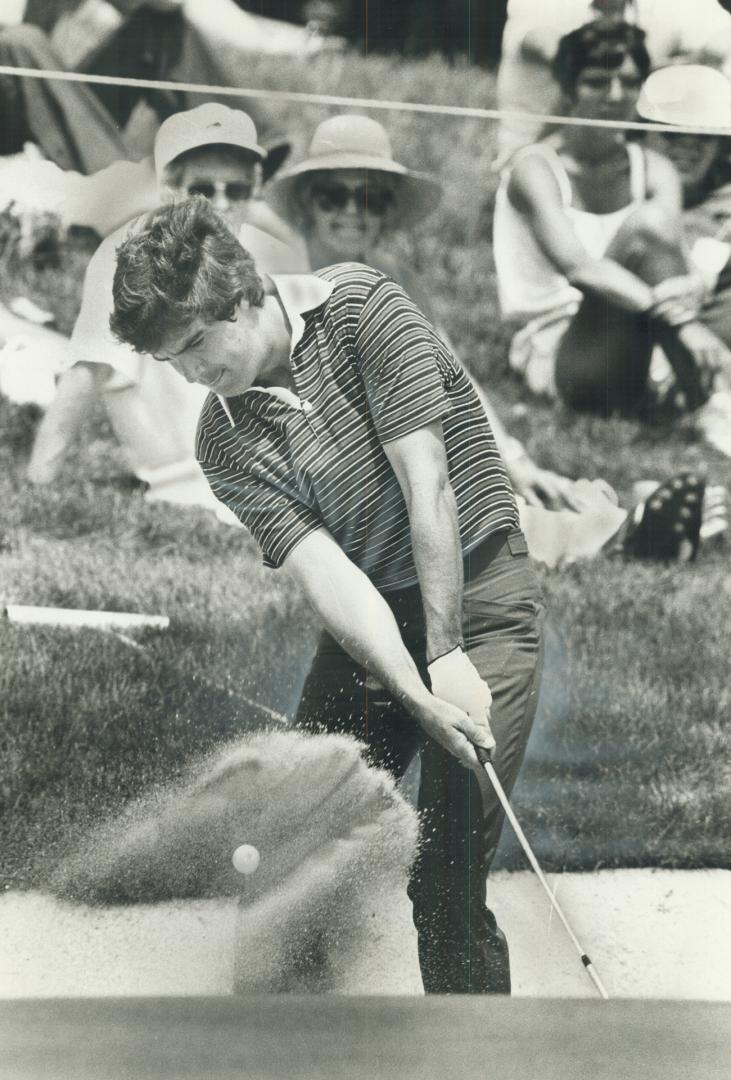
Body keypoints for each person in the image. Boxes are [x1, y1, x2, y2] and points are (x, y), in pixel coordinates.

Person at [109, 195, 545, 995]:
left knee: (445, 877)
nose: (195, 375)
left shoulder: (361, 307)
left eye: (200, 345)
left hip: (480, 595)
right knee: (292, 853)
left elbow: (429, 487)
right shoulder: (221, 440)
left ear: (244, 293)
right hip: (380, 612)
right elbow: (331, 576)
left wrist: (445, 653)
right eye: (173, 362)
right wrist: (414, 689)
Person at [267, 112, 727, 563]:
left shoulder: (394, 278)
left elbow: (451, 373)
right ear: (308, 201)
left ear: (387, 210)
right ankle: (616, 536)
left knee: (515, 484)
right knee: (450, 499)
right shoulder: (282, 280)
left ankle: (619, 518)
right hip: (322, 457)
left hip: (397, 444)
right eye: (334, 196)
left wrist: (511, 458)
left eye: (369, 199)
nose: (352, 212)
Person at [27, 103, 306, 509]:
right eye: (204, 190)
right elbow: (86, 372)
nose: (222, 204)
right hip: (190, 484)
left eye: (238, 189)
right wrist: (37, 490)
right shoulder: (127, 261)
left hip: (287, 470)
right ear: (169, 189)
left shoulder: (274, 256)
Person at [493, 19, 731, 431]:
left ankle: (704, 399)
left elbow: (672, 262)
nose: (615, 96)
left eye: (629, 82)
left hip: (640, 337)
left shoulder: (653, 169)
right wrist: (683, 321)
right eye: (597, 82)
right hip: (561, 350)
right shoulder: (534, 169)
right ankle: (708, 406)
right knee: (645, 229)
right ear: (567, 90)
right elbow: (581, 269)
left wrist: (689, 293)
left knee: (658, 237)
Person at [495, 0, 731, 168]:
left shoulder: (666, 7)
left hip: (625, 162)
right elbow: (572, 60)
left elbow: (724, 37)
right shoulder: (541, 6)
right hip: (531, 161)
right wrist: (675, 64)